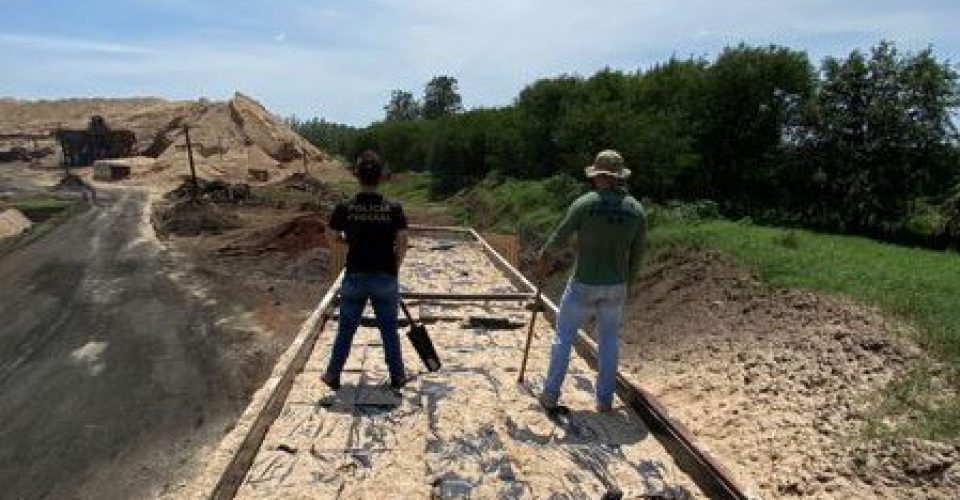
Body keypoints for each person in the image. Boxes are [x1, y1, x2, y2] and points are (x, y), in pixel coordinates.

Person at [537, 149, 646, 413]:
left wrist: (543, 259)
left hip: (585, 282)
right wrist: (627, 285)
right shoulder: (635, 210)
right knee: (608, 340)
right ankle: (604, 400)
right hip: (616, 285)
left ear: (600, 176)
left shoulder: (585, 204)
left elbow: (558, 238)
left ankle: (551, 394)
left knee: (564, 336)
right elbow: (638, 254)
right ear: (619, 177)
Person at [321, 150, 410, 390]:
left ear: (357, 176)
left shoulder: (345, 207)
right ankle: (398, 376)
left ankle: (332, 374)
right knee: (389, 330)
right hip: (384, 276)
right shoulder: (394, 208)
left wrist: (347, 242)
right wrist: (395, 267)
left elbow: (330, 235)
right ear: (381, 177)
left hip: (355, 276)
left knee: (346, 329)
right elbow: (402, 242)